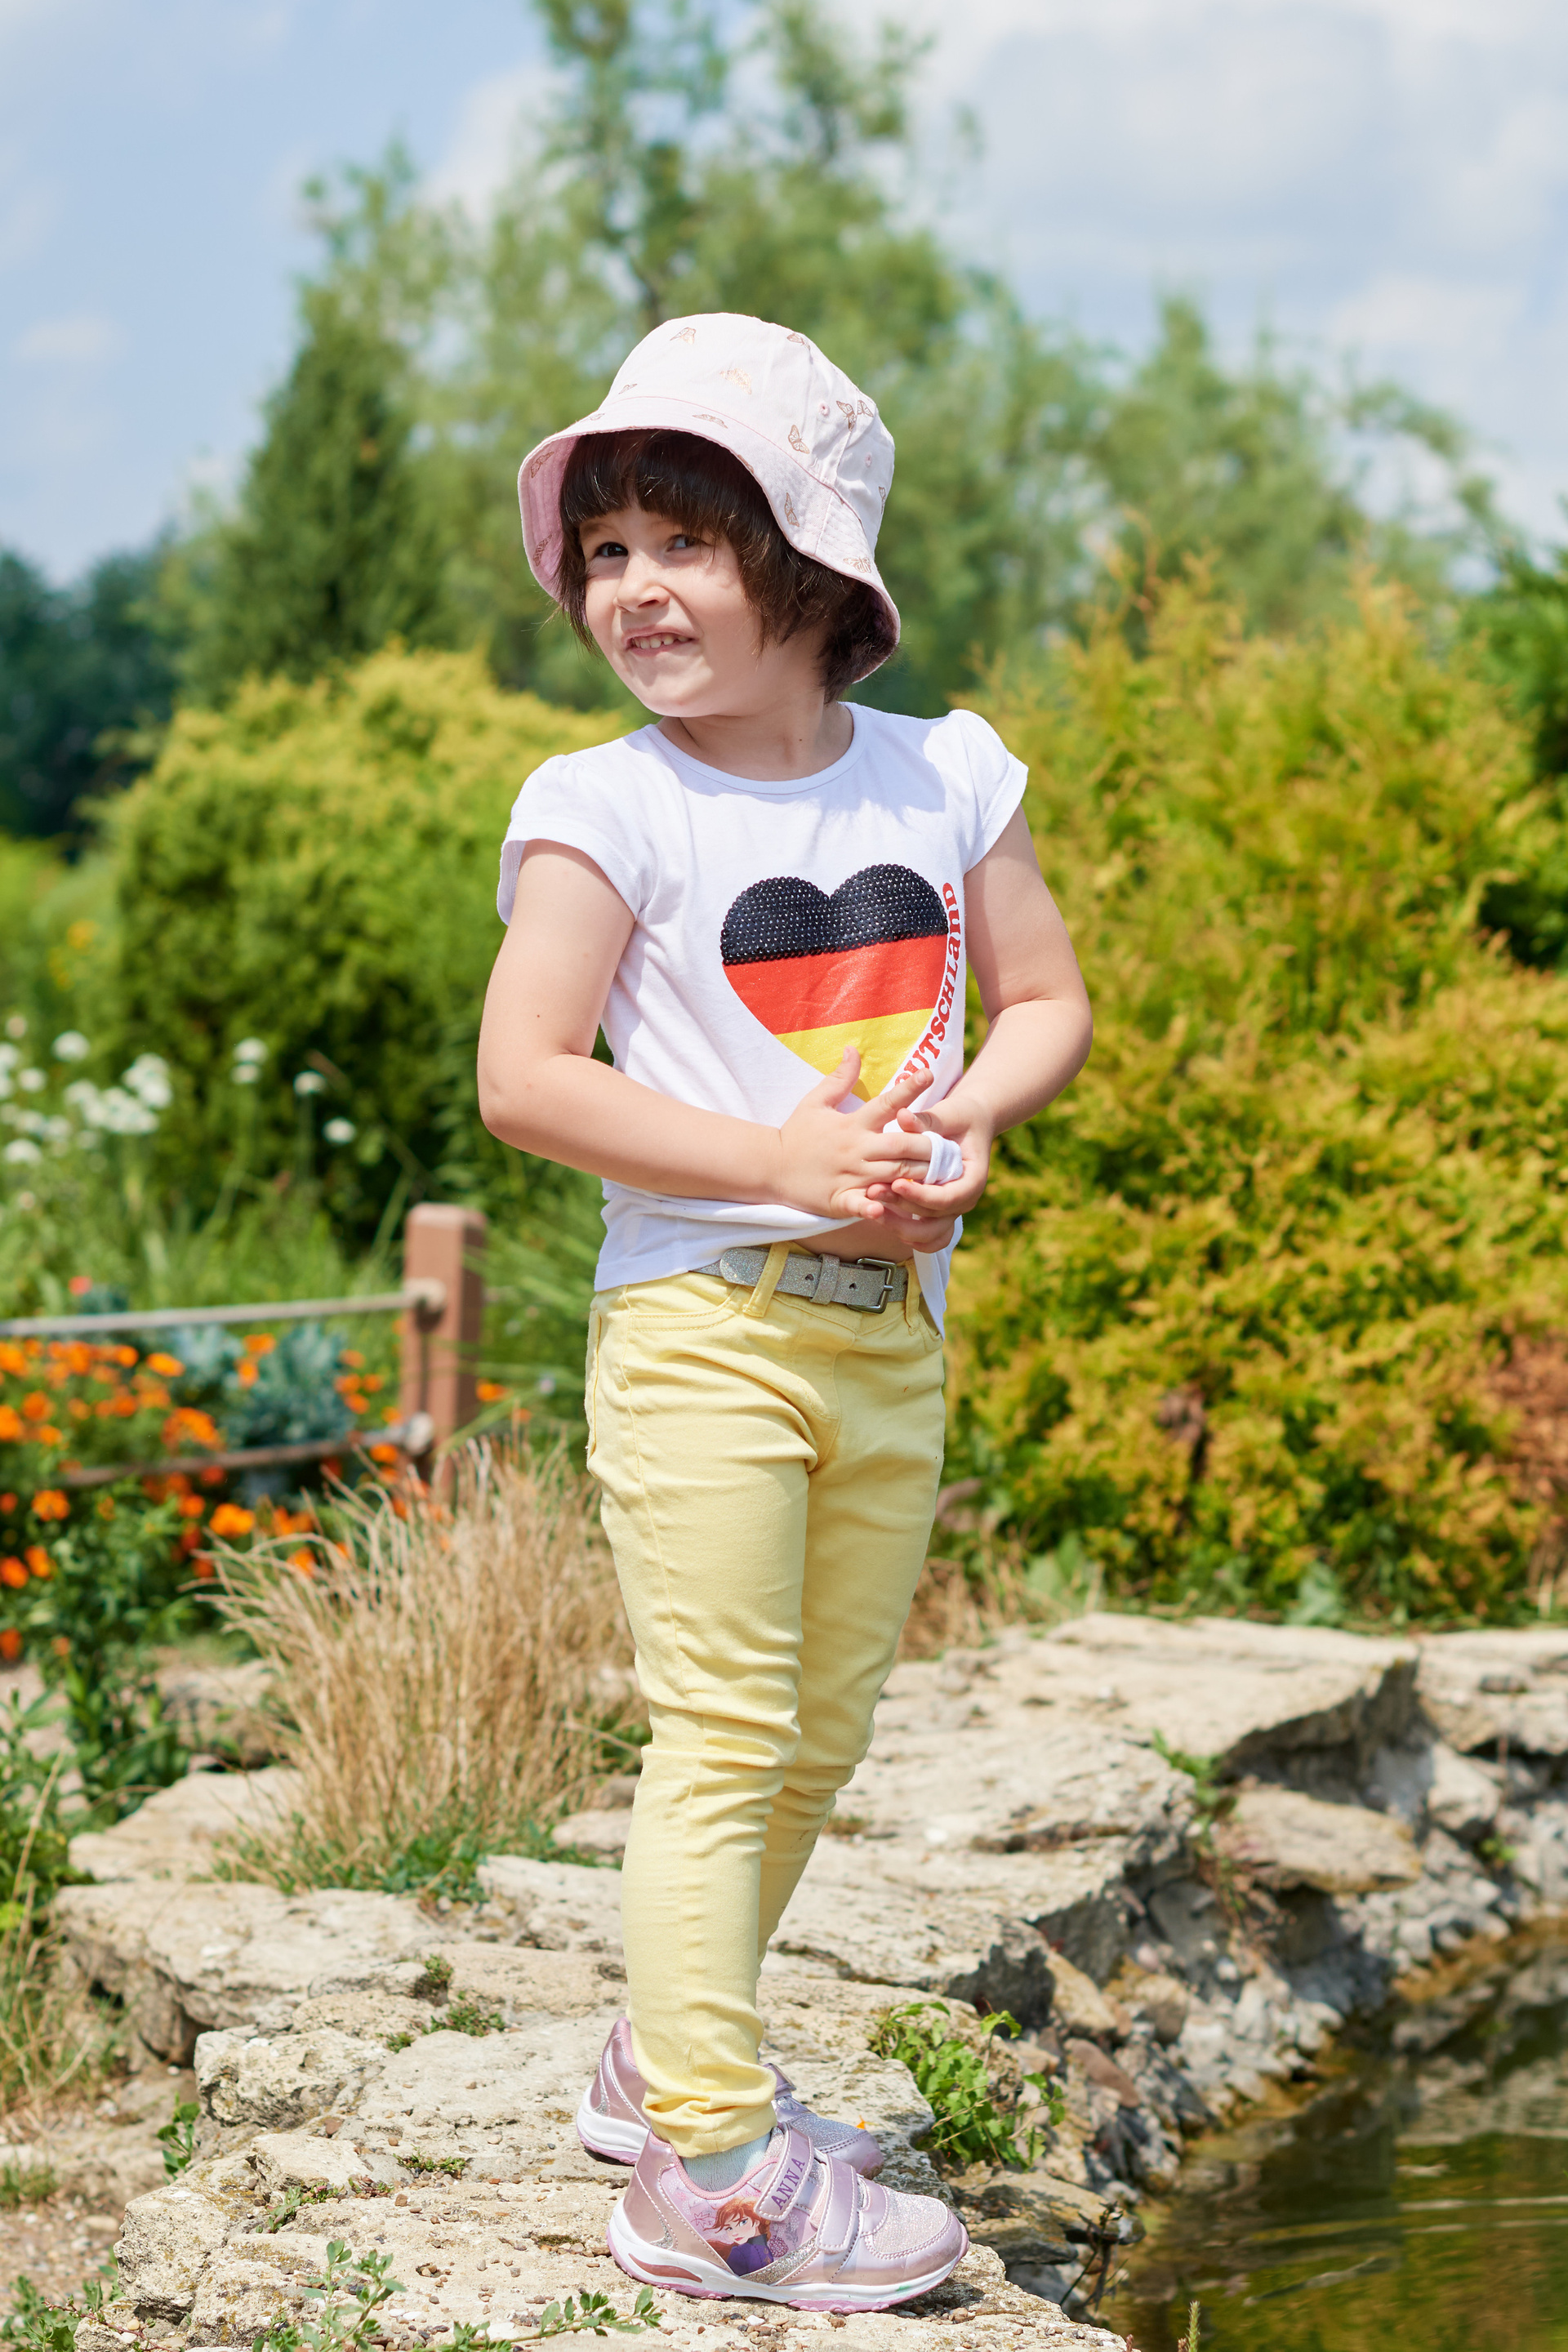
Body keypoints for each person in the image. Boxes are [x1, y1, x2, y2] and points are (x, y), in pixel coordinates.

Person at [477, 313, 1092, 2312]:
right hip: (707, 1324)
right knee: (728, 1732)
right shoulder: (606, 804)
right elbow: (525, 1080)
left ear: (812, 566)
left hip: (892, 1336)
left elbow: (1046, 1004)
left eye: (686, 542)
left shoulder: (947, 774)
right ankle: (718, 2178)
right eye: (607, 551)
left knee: (820, 1738)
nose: (633, 588)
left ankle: (665, 2057)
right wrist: (781, 1163)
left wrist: (968, 1121)